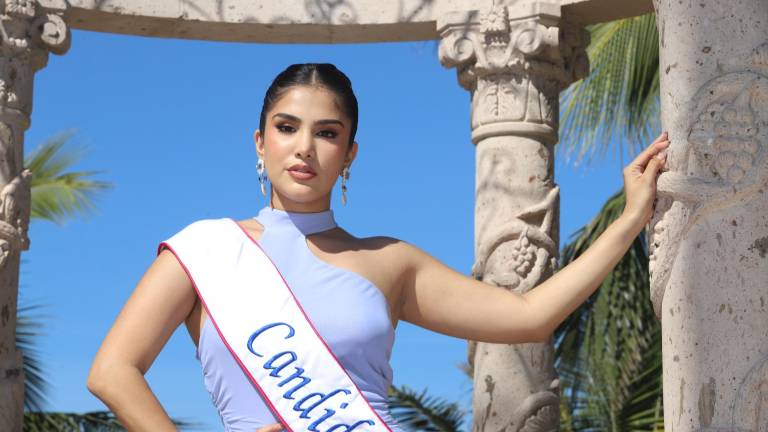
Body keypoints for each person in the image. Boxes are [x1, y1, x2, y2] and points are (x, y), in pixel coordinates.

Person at [86, 62, 669, 432]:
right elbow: (113, 371)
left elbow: (530, 316)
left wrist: (631, 217)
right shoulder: (205, 249)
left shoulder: (390, 261)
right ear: (259, 143)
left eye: (327, 133)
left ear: (350, 155)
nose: (305, 148)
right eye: (287, 128)